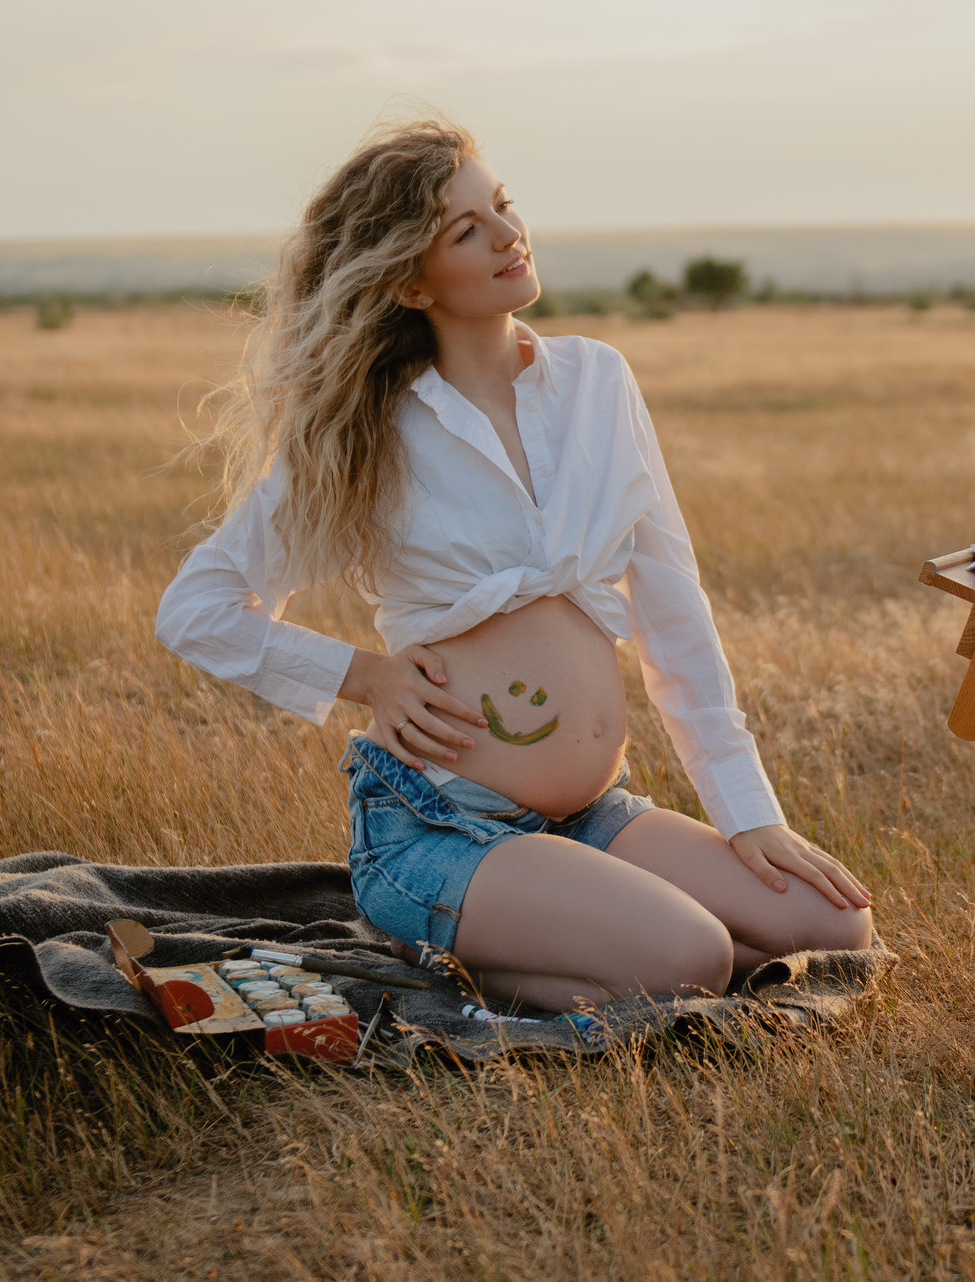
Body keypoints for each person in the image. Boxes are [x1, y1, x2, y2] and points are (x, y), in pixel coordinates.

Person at [157, 119, 872, 1012]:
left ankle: (570, 930)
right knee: (692, 956)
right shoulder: (370, 435)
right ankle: (444, 959)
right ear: (409, 283)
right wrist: (366, 676)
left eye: (501, 205)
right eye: (466, 229)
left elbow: (671, 600)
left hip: (589, 816)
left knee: (835, 928)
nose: (507, 234)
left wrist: (748, 812)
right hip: (437, 825)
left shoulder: (598, 382)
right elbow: (196, 607)